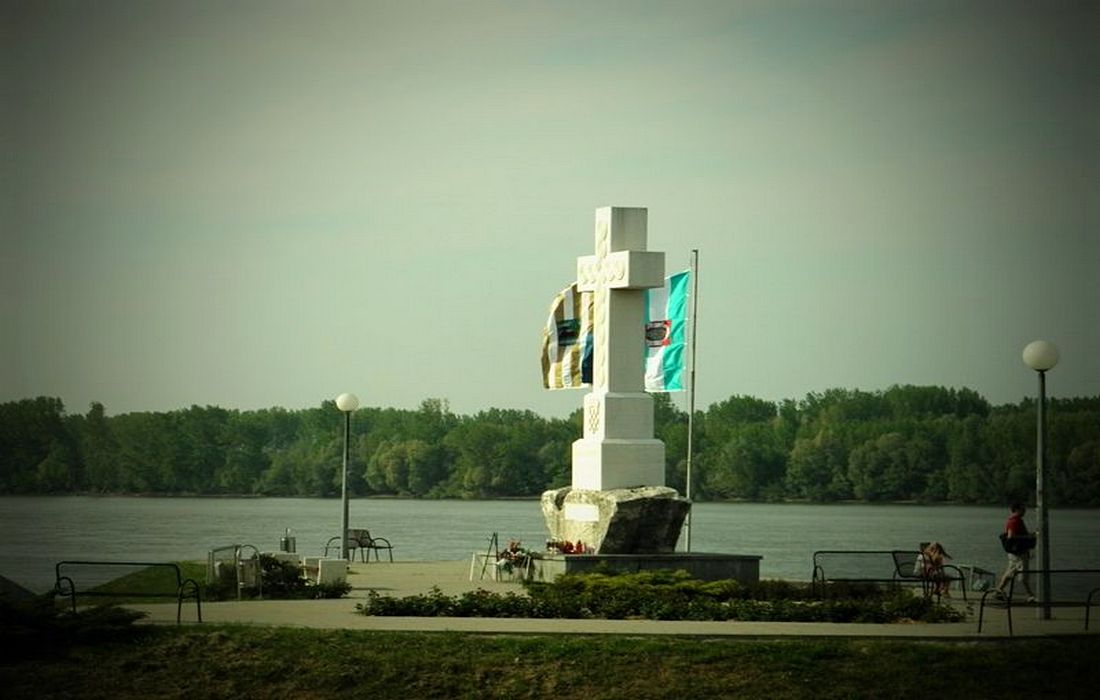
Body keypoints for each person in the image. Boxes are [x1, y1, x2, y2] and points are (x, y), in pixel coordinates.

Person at [995, 501, 1037, 601]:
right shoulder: (1015, 521)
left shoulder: (1014, 520)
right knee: (1024, 574)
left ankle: (998, 591)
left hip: (1016, 552)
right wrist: (1028, 537)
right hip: (1019, 553)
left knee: (1010, 572)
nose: (1025, 511)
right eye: (1023, 509)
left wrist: (1029, 535)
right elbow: (1011, 536)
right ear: (1017, 509)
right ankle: (1030, 596)